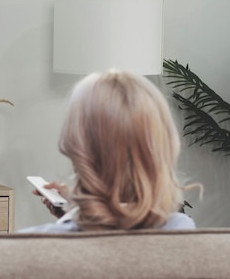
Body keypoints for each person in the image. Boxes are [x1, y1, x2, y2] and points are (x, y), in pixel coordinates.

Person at [19, 69, 199, 233]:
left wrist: (75, 215)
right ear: (165, 145)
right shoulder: (180, 228)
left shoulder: (32, 243)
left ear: (75, 146)